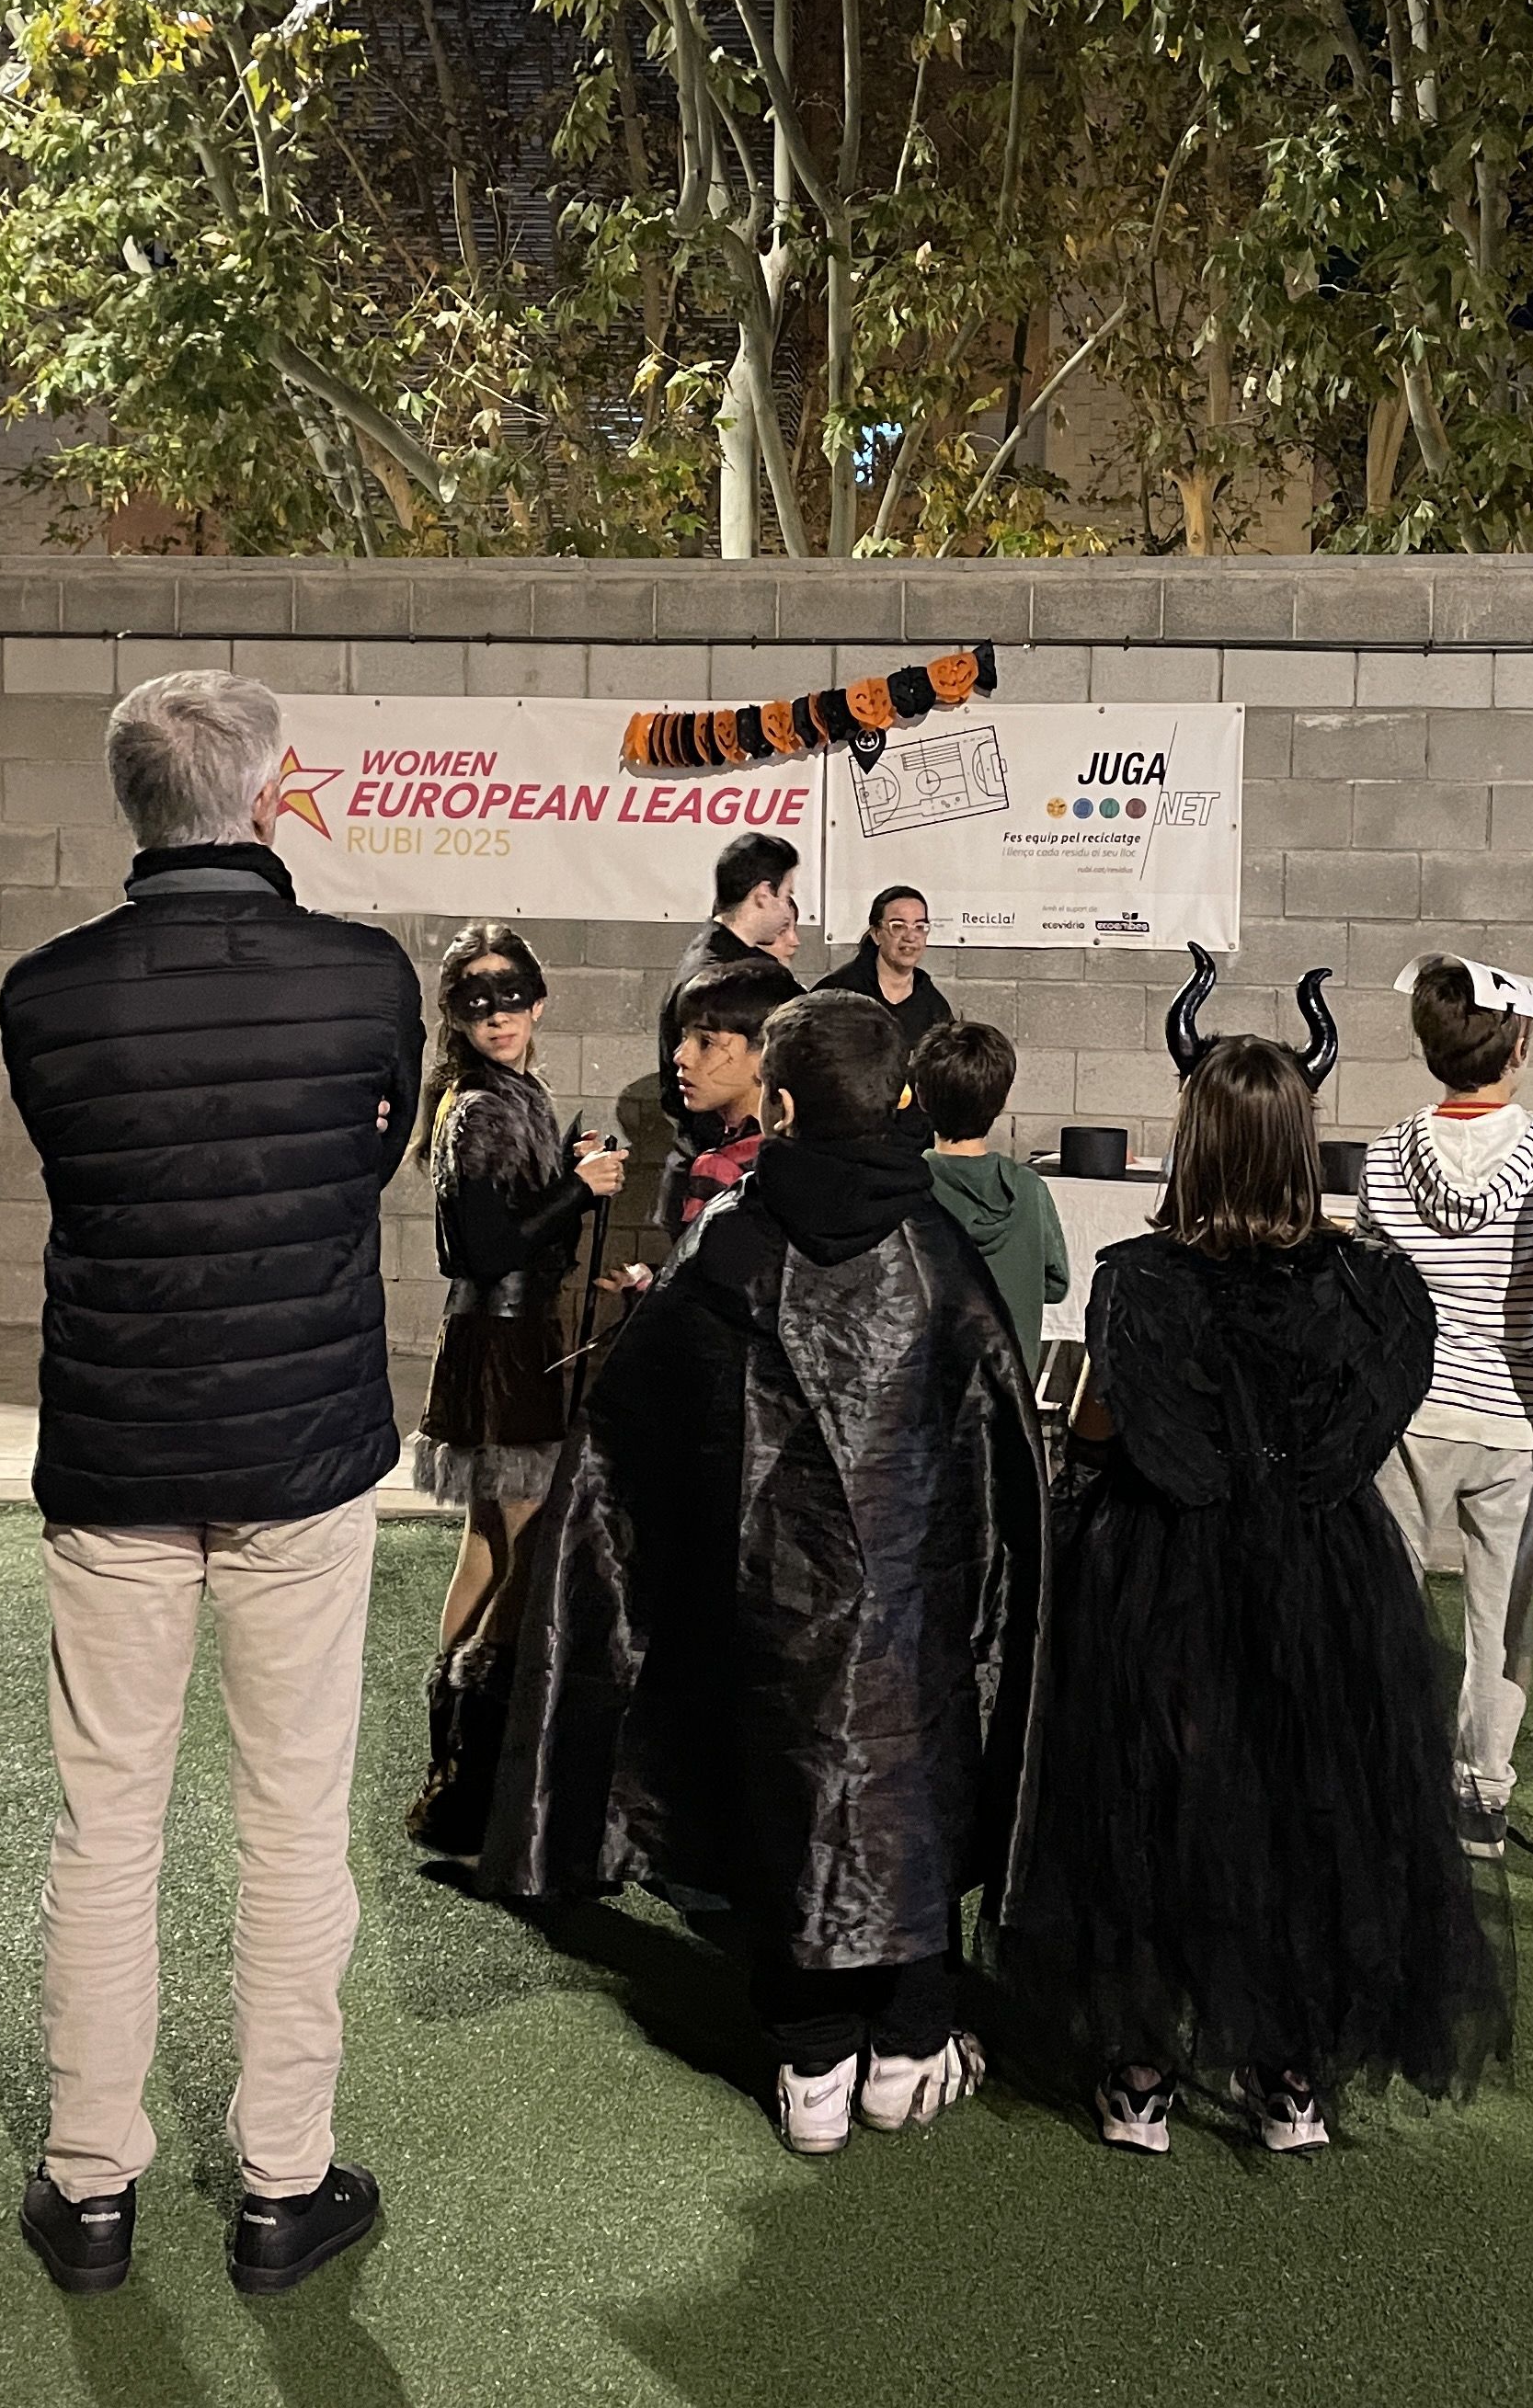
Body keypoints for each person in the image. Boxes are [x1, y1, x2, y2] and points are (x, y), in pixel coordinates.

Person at [0, 672, 424, 2298]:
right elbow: (363, 1163)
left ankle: (91, 2185)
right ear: (263, 793)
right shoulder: (364, 974)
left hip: (117, 1453)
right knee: (292, 1822)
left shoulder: (48, 992)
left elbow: (87, 1170)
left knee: (105, 1824)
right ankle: (281, 2183)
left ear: (133, 801)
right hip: (301, 1453)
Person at [482, 990, 1043, 2160]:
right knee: (907, 1798)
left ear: (781, 1107)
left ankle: (813, 2064)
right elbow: (1000, 1461)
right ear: (896, 1101)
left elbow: (629, 1453)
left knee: (783, 1804)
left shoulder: (727, 1248)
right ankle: (909, 2045)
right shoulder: (939, 1255)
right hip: (911, 1622)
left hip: (767, 1612)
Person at [1000, 1006, 1503, 2160]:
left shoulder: (1141, 1280)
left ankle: (1141, 2075)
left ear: (1197, 1139)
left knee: (1152, 1810)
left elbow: (1119, 1437)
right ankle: (1289, 2079)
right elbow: (1361, 1439)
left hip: (1161, 1575)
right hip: (1322, 1577)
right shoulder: (1374, 1287)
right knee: (1303, 1810)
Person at [402, 923, 626, 1855]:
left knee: (491, 1549)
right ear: (456, 1016)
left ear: (538, 1002)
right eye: (475, 1003)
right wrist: (579, 1188)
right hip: (498, 1343)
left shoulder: (511, 1095)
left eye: (510, 998)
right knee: (520, 1552)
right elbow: (482, 1248)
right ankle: (467, 1772)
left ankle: (456, 1762)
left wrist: (569, 1174)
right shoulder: (482, 1108)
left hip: (507, 1338)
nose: (497, 1016)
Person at [1355, 955, 1533, 1862]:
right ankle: (1481, 1792)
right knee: (1500, 1618)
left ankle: (1372, 1782)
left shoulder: (1383, 1154)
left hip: (1410, 1408)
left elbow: (1375, 1286)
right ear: (1517, 1046)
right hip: (1520, 1413)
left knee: (1383, 1604)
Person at [910, 1019, 1069, 1349]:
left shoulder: (910, 1186)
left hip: (934, 1374)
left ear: (921, 1096)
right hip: (1014, 1374)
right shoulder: (1028, 1188)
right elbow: (1056, 1285)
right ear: (1002, 1100)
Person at [658, 831, 802, 1181]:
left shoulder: (709, 955)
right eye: (786, 896)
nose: (787, 910)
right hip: (720, 1169)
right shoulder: (725, 976)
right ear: (763, 894)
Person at [663, 957, 789, 1233]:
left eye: (706, 1042)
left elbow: (704, 1260)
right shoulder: (811, 1152)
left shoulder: (721, 1168)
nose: (681, 1056)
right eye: (684, 1037)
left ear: (766, 1056)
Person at [814, 886, 954, 1056]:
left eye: (919, 927)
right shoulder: (837, 993)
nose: (910, 937)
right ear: (876, 933)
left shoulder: (933, 1004)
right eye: (898, 926)